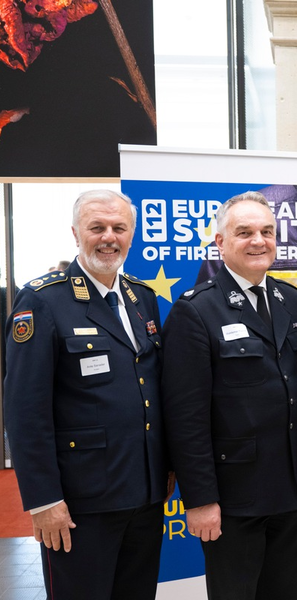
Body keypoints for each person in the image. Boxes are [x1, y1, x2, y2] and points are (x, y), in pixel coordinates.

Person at [3, 189, 170, 600]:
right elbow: (25, 409)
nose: (109, 237)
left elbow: (151, 388)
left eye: (119, 228)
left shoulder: (142, 297)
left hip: (144, 493)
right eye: (97, 227)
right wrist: (44, 500)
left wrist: (165, 468)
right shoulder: (43, 300)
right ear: (76, 233)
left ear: (131, 235)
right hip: (80, 502)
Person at [161, 191, 297, 600]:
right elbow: (185, 417)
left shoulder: (291, 300)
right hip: (233, 498)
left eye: (267, 232)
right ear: (220, 242)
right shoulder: (196, 310)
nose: (259, 241)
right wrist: (200, 499)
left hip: (290, 490)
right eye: (245, 232)